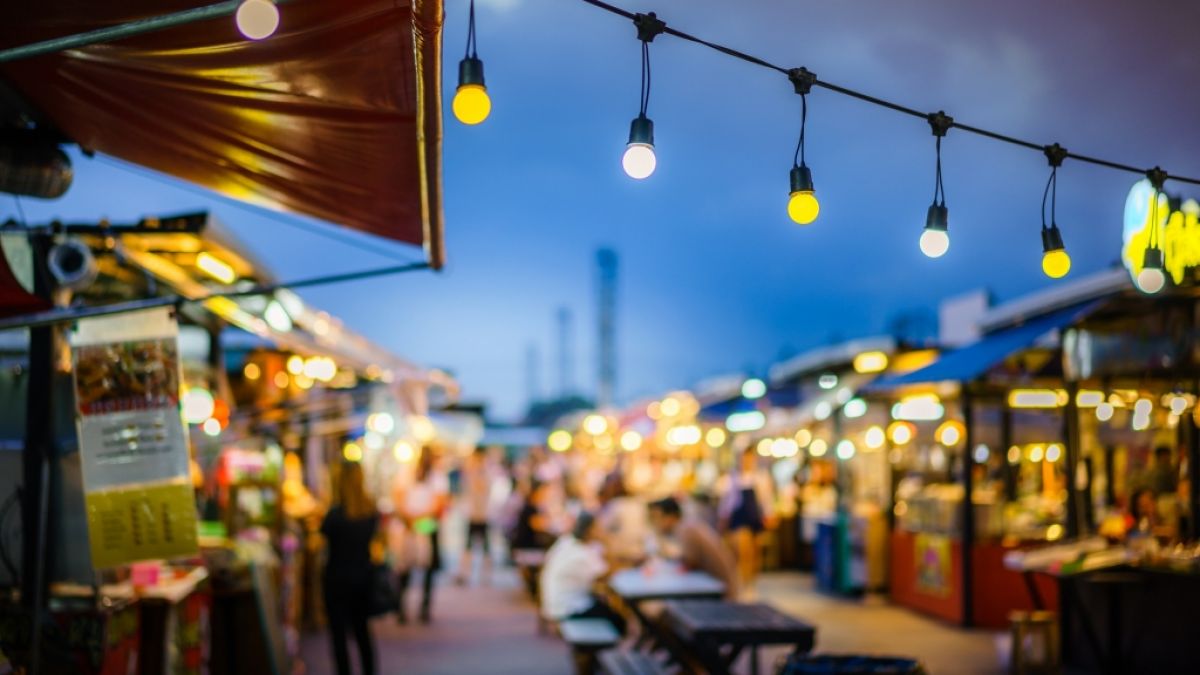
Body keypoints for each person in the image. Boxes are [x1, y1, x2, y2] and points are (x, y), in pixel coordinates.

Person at [320, 462, 378, 675]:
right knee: (362, 631)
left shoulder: (334, 515)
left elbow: (323, 539)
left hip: (336, 578)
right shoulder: (370, 511)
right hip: (363, 576)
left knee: (338, 635)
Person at [539, 512, 626, 634]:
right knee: (618, 622)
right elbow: (605, 576)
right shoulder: (583, 553)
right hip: (570, 608)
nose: (601, 530)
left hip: (554, 604)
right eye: (598, 527)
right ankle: (590, 650)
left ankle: (589, 651)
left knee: (605, 608)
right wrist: (607, 542)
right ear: (590, 530)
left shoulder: (566, 541)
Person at [393, 447, 449, 623]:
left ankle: (411, 607)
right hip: (419, 524)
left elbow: (439, 503)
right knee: (411, 566)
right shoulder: (413, 475)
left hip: (417, 524)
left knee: (419, 566)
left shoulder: (436, 477)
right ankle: (411, 607)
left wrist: (413, 518)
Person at [648, 496, 738, 599]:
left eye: (658, 517)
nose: (656, 523)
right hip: (717, 587)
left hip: (722, 594)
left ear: (671, 517)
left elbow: (690, 562)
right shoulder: (688, 526)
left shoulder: (686, 529)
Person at [718, 450, 773, 594]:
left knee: (755, 553)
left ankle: (750, 582)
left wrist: (768, 515)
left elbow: (765, 499)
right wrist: (723, 518)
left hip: (754, 517)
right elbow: (727, 502)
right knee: (742, 551)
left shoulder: (760, 477)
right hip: (738, 518)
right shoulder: (732, 478)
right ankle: (741, 582)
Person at [456, 446, 496, 585]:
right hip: (473, 514)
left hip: (483, 515)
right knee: (469, 546)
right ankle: (465, 573)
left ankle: (486, 575)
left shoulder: (487, 473)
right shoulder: (470, 473)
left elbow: (484, 489)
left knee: (485, 546)